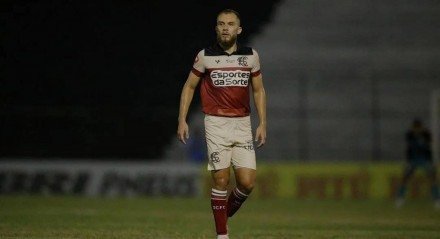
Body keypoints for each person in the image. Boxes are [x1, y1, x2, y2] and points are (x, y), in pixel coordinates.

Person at [177, 9, 267, 239]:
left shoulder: (250, 56)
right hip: (216, 123)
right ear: (216, 28)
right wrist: (182, 120)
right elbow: (189, 86)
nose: (225, 27)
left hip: (243, 124)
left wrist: (262, 123)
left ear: (239, 29)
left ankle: (221, 217)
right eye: (221, 23)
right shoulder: (205, 56)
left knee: (247, 184)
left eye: (230, 24)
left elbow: (258, 90)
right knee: (221, 179)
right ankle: (222, 235)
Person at [395, 119, 440, 208]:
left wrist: (431, 161)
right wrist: (407, 161)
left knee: (432, 178)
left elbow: (429, 149)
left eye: (418, 128)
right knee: (405, 178)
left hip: (425, 159)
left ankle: (437, 200)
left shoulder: (426, 135)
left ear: (421, 127)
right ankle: (400, 199)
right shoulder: (409, 135)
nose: (416, 130)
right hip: (413, 160)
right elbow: (408, 149)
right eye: (415, 128)